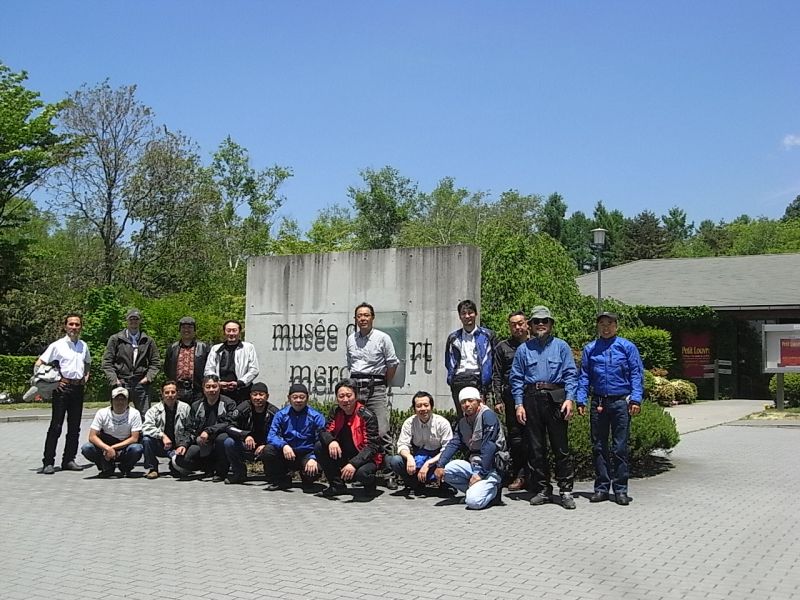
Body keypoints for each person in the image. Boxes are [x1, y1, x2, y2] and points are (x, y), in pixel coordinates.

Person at [510, 306, 579, 510]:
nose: (541, 324)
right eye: (537, 321)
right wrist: (519, 404)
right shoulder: (524, 349)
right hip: (531, 399)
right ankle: (543, 489)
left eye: (545, 321)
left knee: (561, 447)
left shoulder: (561, 346)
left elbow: (571, 374)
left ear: (551, 324)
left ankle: (565, 491)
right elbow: (516, 378)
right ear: (530, 325)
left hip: (556, 398)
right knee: (536, 448)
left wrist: (570, 399)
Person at [577, 312, 644, 506]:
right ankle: (601, 488)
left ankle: (621, 489)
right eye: (602, 324)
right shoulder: (590, 348)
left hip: (620, 402)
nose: (605, 327)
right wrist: (581, 400)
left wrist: (636, 399)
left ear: (616, 326)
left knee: (619, 447)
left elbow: (636, 374)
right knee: (598, 446)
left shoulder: (627, 347)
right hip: (598, 402)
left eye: (609, 323)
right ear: (598, 326)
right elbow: (584, 376)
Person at [345, 302, 399, 485]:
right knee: (358, 431)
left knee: (382, 431)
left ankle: (389, 474)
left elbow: (392, 364)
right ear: (355, 319)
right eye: (359, 315)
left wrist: (383, 383)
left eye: (366, 315)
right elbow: (350, 364)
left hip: (376, 387)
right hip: (356, 387)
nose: (363, 319)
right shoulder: (350, 339)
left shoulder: (383, 338)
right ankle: (362, 472)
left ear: (373, 317)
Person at [434, 387, 507, 510]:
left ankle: (494, 492)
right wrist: (440, 465)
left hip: (491, 468)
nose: (467, 404)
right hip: (474, 465)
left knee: (473, 502)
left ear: (479, 401)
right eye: (463, 402)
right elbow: (454, 444)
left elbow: (489, 445)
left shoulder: (488, 416)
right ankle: (476, 491)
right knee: (447, 471)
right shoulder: (463, 421)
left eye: (470, 400)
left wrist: (480, 474)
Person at [38, 312, 91, 474]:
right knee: (56, 426)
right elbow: (39, 363)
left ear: (81, 327)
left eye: (77, 324)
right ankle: (48, 462)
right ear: (65, 326)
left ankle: (68, 460)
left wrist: (86, 376)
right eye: (71, 324)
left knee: (75, 427)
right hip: (62, 389)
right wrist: (54, 382)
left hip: (78, 389)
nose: (74, 327)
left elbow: (87, 363)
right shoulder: (57, 345)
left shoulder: (83, 346)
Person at [316, 379, 382, 498]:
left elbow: (372, 446)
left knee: (362, 474)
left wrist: (353, 464)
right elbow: (324, 431)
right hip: (344, 454)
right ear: (337, 398)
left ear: (356, 396)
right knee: (320, 446)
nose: (345, 400)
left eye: (349, 395)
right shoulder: (336, 411)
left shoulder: (367, 415)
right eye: (341, 396)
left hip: (365, 457)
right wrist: (331, 441)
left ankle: (371, 484)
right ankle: (337, 486)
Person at [171, 375, 238, 480]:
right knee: (180, 460)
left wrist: (208, 431)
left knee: (223, 438)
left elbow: (230, 423)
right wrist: (183, 444)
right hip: (202, 443)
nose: (211, 390)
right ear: (203, 388)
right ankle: (207, 467)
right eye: (208, 387)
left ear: (219, 387)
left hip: (219, 442)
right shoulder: (196, 405)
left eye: (214, 386)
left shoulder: (229, 403)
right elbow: (189, 428)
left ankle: (221, 472)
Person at [386, 391, 453, 497]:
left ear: (431, 407)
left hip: (437, 458)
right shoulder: (409, 423)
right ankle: (414, 484)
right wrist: (409, 457)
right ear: (414, 409)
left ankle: (443, 484)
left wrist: (428, 463)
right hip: (417, 457)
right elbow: (402, 445)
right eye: (419, 406)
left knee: (450, 465)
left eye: (426, 405)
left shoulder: (442, 423)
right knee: (396, 461)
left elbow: (448, 449)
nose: (423, 409)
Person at [492, 310, 531, 491]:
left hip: (532, 397)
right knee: (515, 438)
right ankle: (519, 474)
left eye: (520, 323)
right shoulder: (502, 347)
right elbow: (497, 374)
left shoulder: (535, 345)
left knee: (534, 438)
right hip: (511, 398)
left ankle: (534, 475)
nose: (517, 327)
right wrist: (497, 399)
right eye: (513, 324)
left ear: (527, 324)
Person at [264, 383, 326, 491]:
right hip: (288, 453)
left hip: (307, 453)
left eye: (302, 397)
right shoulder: (281, 415)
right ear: (289, 398)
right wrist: (283, 445)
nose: (298, 400)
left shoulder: (316, 416)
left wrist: (313, 458)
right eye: (295, 397)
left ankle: (307, 479)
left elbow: (321, 440)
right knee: (268, 450)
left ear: (307, 398)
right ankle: (282, 480)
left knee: (312, 472)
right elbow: (272, 436)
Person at [101, 308, 161, 420]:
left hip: (141, 384)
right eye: (131, 319)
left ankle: (143, 433)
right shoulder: (115, 339)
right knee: (119, 414)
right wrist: (114, 380)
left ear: (140, 321)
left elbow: (155, 363)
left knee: (145, 417)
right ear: (126, 320)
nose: (134, 321)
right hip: (121, 382)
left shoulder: (148, 341)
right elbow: (107, 362)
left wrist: (148, 378)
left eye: (136, 319)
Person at [444, 299, 496, 417]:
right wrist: (451, 378)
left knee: (482, 416)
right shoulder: (453, 338)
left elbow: (493, 360)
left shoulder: (487, 335)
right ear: (459, 316)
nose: (467, 316)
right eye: (463, 313)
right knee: (462, 417)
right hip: (459, 379)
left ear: (476, 314)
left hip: (479, 380)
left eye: (470, 312)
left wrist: (488, 382)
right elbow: (448, 361)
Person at [219, 382, 279, 484]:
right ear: (250, 396)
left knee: (275, 448)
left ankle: (273, 474)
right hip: (246, 445)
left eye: (261, 394)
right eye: (255, 394)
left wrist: (266, 445)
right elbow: (229, 426)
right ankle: (239, 473)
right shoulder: (243, 407)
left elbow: (279, 433)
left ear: (267, 396)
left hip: (265, 448)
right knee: (229, 442)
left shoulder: (274, 412)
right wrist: (245, 435)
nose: (258, 398)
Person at [80, 387, 143, 478]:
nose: (120, 402)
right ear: (111, 401)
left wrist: (113, 448)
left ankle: (125, 467)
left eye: (123, 399)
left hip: (125, 445)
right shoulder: (102, 413)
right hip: (106, 445)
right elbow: (92, 436)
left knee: (137, 449)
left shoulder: (135, 413)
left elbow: (134, 438)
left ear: (128, 401)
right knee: (87, 448)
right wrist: (107, 448)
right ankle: (106, 467)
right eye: (117, 399)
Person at [141, 381, 192, 479]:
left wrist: (183, 445)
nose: (170, 395)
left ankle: (174, 465)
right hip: (161, 445)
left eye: (173, 392)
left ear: (177, 393)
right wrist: (162, 436)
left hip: (179, 445)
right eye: (167, 392)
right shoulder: (154, 410)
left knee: (181, 471)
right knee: (146, 439)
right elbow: (146, 427)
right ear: (162, 394)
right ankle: (152, 468)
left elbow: (190, 429)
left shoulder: (185, 408)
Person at [204, 320, 259, 404]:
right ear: (224, 332)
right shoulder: (216, 348)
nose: (231, 333)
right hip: (220, 391)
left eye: (234, 330)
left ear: (239, 332)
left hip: (241, 391)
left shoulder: (248, 347)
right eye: (228, 330)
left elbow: (254, 369)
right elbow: (208, 369)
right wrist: (217, 382)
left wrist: (240, 383)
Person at [164, 316, 211, 404]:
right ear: (179, 330)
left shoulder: (203, 347)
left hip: (197, 390)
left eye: (190, 327)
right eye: (183, 327)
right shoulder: (172, 348)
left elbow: (209, 367)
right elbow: (167, 368)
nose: (186, 330)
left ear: (194, 330)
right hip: (178, 390)